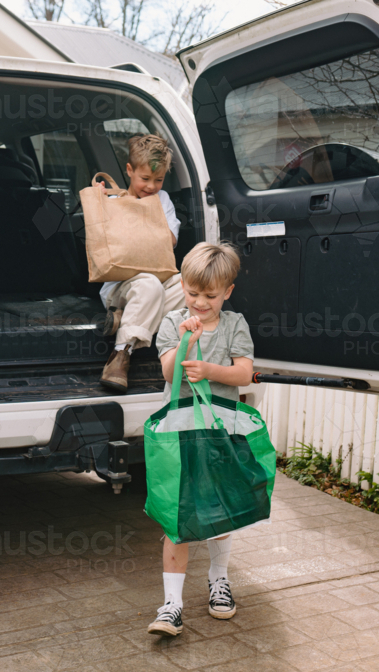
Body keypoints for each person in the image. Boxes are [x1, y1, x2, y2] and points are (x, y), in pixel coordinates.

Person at [147, 242, 254, 636]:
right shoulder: (173, 321)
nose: (199, 302)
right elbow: (168, 372)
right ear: (182, 285)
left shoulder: (234, 325)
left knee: (217, 509)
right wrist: (187, 341)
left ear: (227, 291)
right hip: (179, 434)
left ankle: (219, 578)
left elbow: (244, 373)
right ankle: (171, 604)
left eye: (210, 295)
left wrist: (209, 369)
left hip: (220, 433)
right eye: (192, 293)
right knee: (177, 515)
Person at [96, 134, 185, 392]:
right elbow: (107, 244)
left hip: (157, 280)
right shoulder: (114, 202)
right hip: (120, 287)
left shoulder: (163, 200)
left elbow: (169, 240)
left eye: (158, 180)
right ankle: (120, 355)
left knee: (187, 284)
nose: (151, 186)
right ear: (129, 170)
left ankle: (127, 320)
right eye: (145, 179)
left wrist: (149, 210)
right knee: (148, 285)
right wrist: (104, 204)